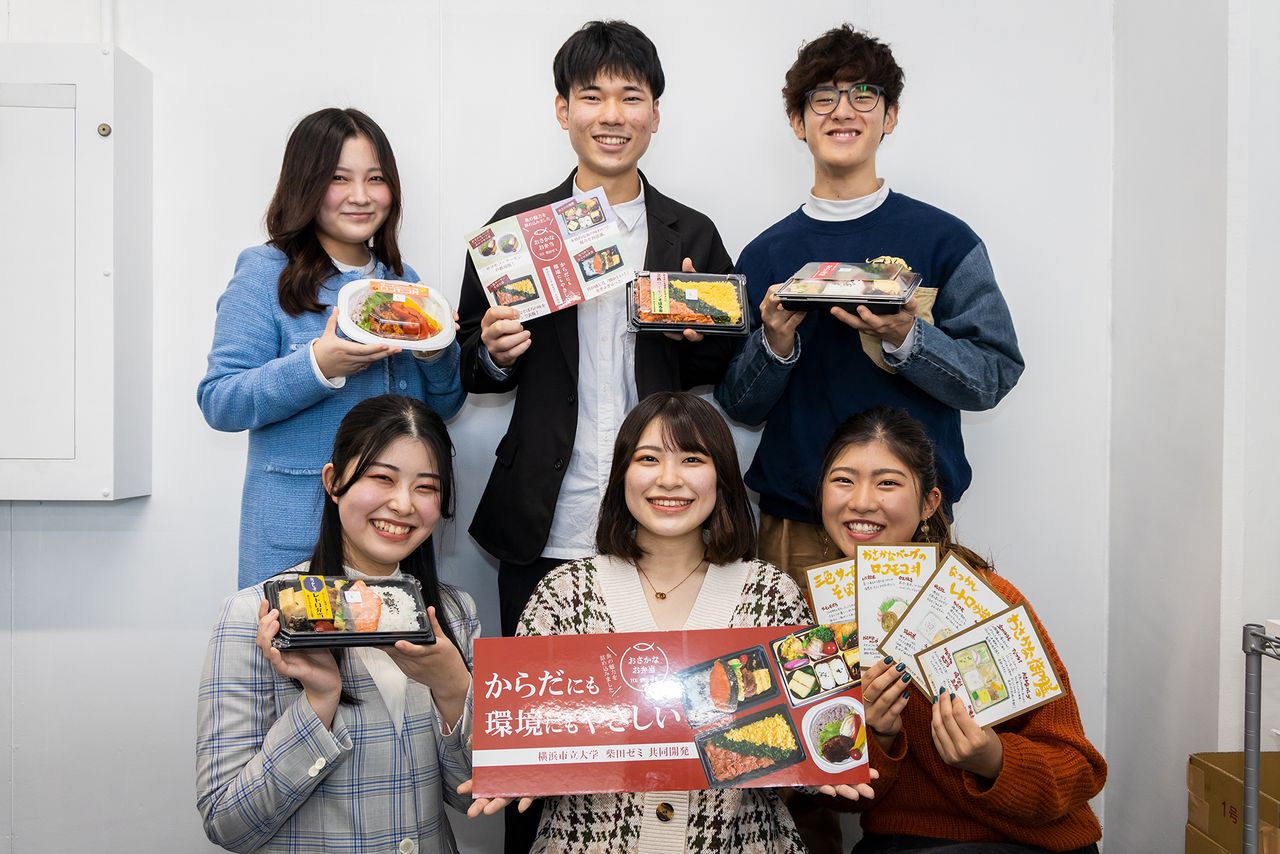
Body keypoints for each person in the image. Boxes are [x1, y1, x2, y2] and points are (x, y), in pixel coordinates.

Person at [459, 392, 875, 853]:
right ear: (622, 474)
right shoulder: (564, 593)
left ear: (721, 476)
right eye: (648, 458)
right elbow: (523, 730)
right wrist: (511, 762)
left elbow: (794, 741)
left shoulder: (771, 593)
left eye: (692, 459)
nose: (669, 479)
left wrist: (822, 766)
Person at [715, 25, 1024, 585]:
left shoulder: (945, 240)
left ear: (890, 116)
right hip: (796, 525)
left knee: (916, 651)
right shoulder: (765, 255)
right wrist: (775, 344)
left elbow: (993, 375)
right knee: (797, 650)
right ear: (798, 122)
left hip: (913, 526)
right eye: (823, 97)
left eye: (864, 95)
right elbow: (738, 403)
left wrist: (908, 337)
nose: (843, 111)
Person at [458, 20, 736, 641]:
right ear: (563, 110)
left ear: (655, 114)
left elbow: (717, 369)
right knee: (545, 694)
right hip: (547, 518)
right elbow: (468, 365)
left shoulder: (691, 234)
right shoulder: (517, 230)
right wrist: (496, 354)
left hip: (662, 518)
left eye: (631, 97)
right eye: (592, 96)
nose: (612, 115)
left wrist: (698, 337)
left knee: (654, 690)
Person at [196, 394, 478, 853]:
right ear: (333, 482)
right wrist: (318, 702)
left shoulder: (454, 614)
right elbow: (227, 824)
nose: (403, 504)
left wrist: (452, 687)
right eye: (382, 478)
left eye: (426, 487)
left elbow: (473, 799)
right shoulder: (255, 614)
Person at [816, 406, 1105, 853]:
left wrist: (993, 759)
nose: (862, 501)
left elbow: (1079, 768)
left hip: (1024, 841)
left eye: (887, 482)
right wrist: (877, 735)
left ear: (929, 503)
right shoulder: (822, 620)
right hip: (902, 843)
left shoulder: (981, 597)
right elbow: (842, 799)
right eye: (843, 480)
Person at [198, 108, 465, 589]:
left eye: (375, 179)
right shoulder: (265, 273)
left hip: (392, 535)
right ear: (305, 183)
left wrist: (435, 351)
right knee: (296, 640)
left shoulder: (404, 283)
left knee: (394, 641)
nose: (361, 196)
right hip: (297, 533)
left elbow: (441, 409)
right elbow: (220, 400)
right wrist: (317, 367)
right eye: (339, 178)